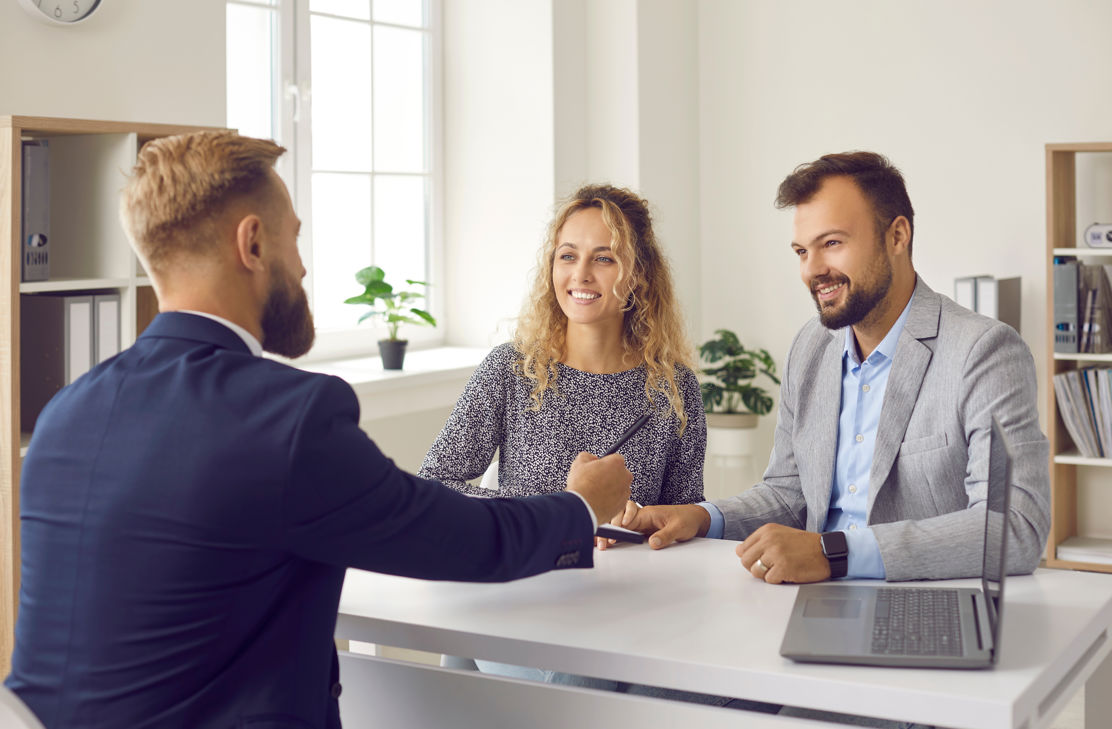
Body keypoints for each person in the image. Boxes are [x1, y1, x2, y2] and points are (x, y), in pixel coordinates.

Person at [3, 131, 633, 729]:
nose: (302, 269)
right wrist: (582, 505)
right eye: (294, 240)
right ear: (252, 245)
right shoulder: (287, 419)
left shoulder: (65, 414)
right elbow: (462, 540)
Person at [626, 151, 1051, 587]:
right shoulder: (810, 348)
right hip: (806, 598)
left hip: (922, 603)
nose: (813, 270)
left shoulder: (983, 352)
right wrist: (700, 517)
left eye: (832, 244)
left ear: (897, 235)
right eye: (801, 251)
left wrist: (834, 554)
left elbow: (1015, 526)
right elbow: (789, 494)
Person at [419, 183, 706, 537]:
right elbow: (434, 485)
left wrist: (644, 519)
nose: (581, 274)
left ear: (639, 274)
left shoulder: (674, 387)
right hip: (532, 576)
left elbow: (685, 516)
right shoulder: (512, 369)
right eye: (568, 256)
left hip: (632, 582)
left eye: (604, 258)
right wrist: (560, 511)